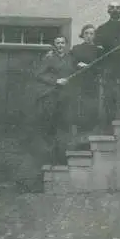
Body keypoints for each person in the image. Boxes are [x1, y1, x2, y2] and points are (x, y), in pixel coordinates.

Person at [34, 36, 77, 165]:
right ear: (54, 44)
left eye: (62, 43)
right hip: (52, 96)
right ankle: (51, 158)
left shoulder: (71, 58)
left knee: (65, 126)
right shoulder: (49, 58)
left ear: (66, 44)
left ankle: (63, 157)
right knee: (51, 126)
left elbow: (74, 71)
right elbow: (38, 74)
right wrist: (55, 81)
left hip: (67, 96)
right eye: (57, 43)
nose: (60, 45)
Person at [94, 3, 120, 122]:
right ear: (108, 10)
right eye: (112, 8)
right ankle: (109, 124)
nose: (115, 10)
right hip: (109, 67)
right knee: (109, 97)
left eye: (118, 8)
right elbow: (99, 49)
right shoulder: (102, 29)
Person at [69, 24, 103, 134]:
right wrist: (78, 65)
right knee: (80, 109)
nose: (89, 36)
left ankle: (90, 134)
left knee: (92, 108)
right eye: (86, 33)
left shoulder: (99, 50)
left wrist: (89, 67)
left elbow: (101, 66)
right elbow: (70, 64)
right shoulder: (76, 49)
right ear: (82, 35)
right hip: (79, 82)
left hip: (93, 83)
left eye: (91, 34)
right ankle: (79, 135)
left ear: (95, 36)